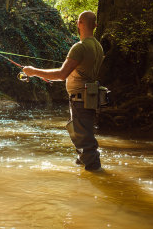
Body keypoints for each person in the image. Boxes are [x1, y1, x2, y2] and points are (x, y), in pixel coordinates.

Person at [22, 10, 104, 171]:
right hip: (89, 98)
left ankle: (97, 174)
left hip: (80, 99)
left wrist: (33, 71)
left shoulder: (80, 47)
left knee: (85, 141)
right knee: (80, 135)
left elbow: (61, 74)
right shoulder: (98, 46)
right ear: (95, 25)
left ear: (79, 23)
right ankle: (84, 172)